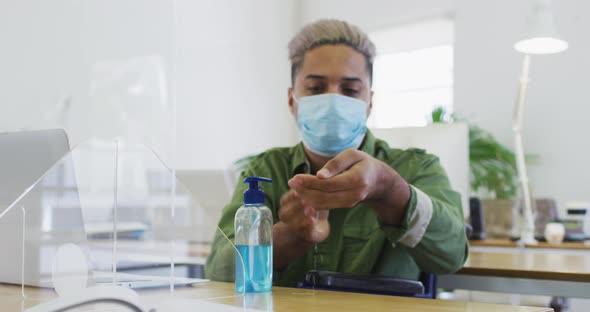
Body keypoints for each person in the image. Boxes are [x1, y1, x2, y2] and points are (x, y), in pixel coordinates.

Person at [205, 19, 468, 286]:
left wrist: (390, 192)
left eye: (351, 90)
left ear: (370, 102)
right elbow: (218, 273)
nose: (333, 99)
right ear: (291, 100)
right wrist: (289, 236)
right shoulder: (265, 171)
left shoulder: (416, 168)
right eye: (316, 88)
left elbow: (453, 255)